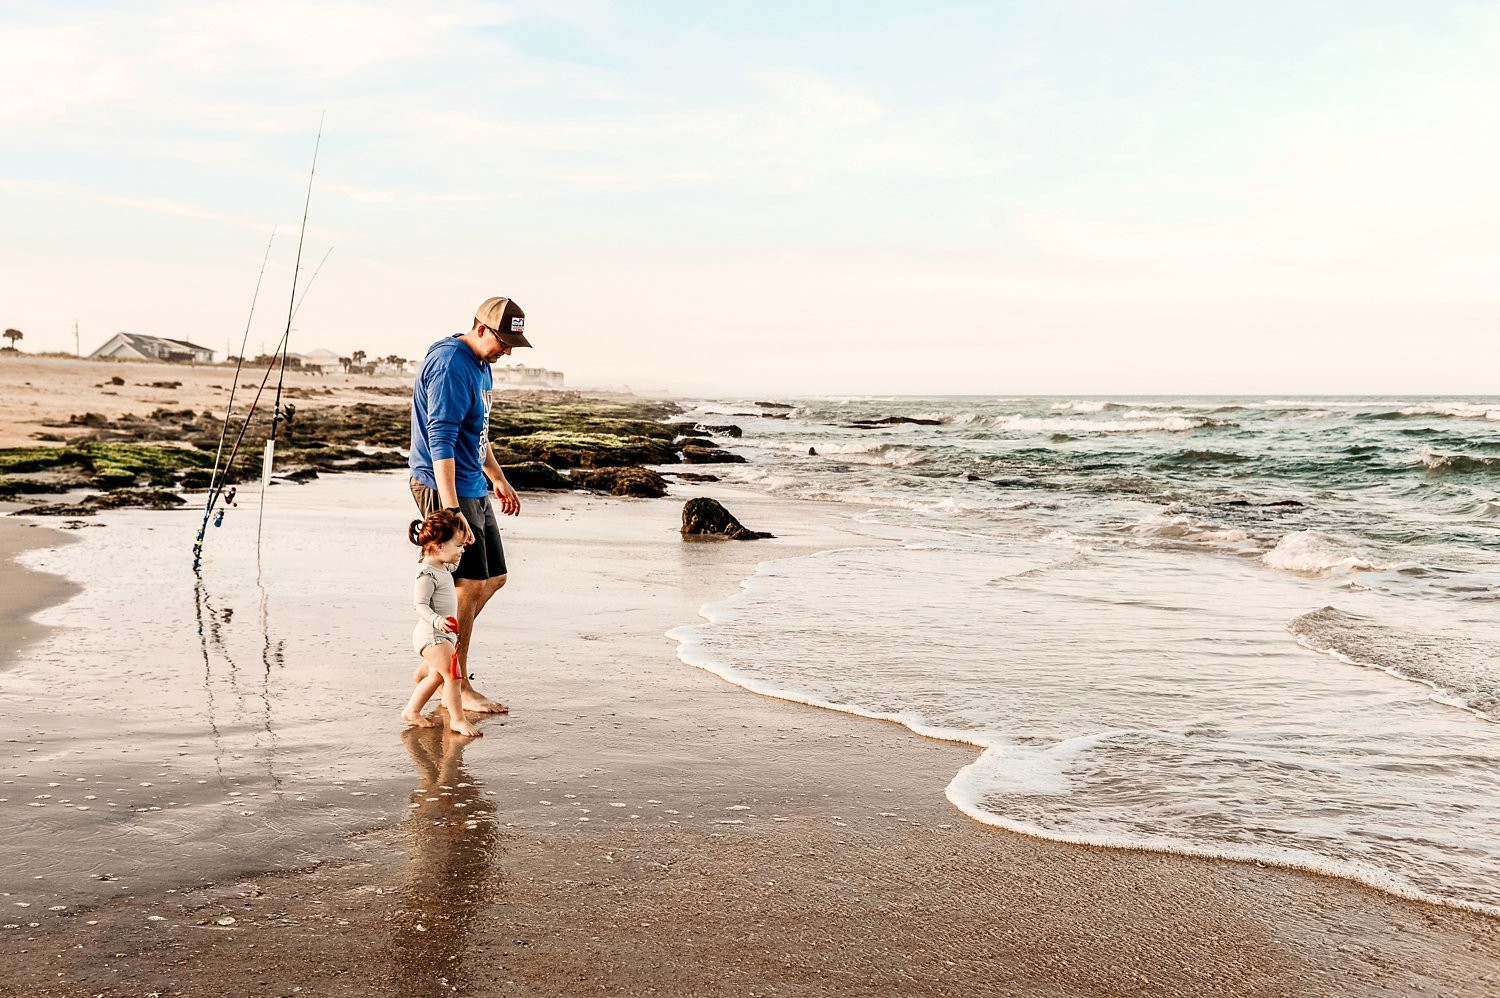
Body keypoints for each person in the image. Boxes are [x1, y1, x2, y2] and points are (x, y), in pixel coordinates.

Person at [408, 296, 531, 714]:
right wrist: (450, 510)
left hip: (472, 483)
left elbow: (476, 433)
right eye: (504, 340)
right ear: (480, 328)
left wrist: (497, 477)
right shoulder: (450, 363)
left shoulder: (481, 365)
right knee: (466, 585)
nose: (508, 351)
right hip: (446, 487)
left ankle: (438, 663)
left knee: (493, 578)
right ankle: (451, 681)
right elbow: (440, 436)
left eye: (514, 343)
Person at [402, 509, 481, 737]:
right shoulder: (426, 574)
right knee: (454, 676)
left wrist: (464, 540)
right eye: (458, 546)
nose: (461, 550)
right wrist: (437, 621)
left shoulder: (442, 566)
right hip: (432, 635)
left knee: (437, 676)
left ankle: (412, 710)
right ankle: (457, 720)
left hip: (440, 635)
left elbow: (454, 564)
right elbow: (419, 605)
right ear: (438, 546)